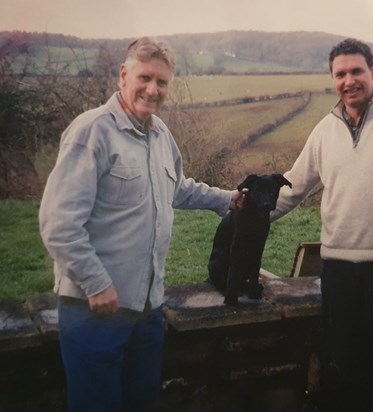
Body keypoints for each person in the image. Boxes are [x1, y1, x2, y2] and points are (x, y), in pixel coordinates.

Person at [39, 37, 244, 412]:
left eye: (162, 82)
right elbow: (58, 223)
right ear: (123, 75)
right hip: (94, 311)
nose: (152, 89)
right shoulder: (92, 133)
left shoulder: (160, 133)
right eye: (144, 78)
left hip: (147, 311)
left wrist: (226, 198)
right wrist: (96, 282)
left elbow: (175, 188)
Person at [271, 38, 373, 411]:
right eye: (341, 74)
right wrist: (239, 209)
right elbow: (291, 188)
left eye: (357, 71)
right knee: (340, 373)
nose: (349, 81)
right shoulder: (325, 130)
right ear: (332, 79)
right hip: (339, 271)